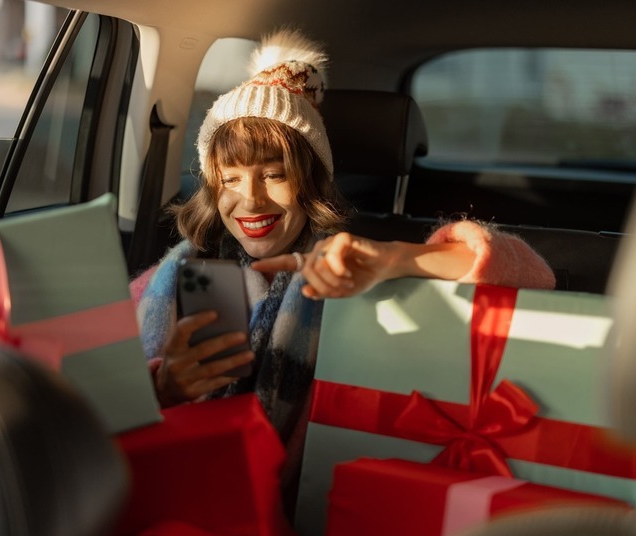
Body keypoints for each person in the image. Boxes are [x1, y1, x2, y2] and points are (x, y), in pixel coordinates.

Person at [130, 28, 555, 448]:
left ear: (311, 182)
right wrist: (161, 390)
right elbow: (102, 398)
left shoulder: (349, 269)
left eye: (274, 175)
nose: (251, 200)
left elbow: (535, 277)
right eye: (229, 179)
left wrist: (395, 260)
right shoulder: (173, 277)